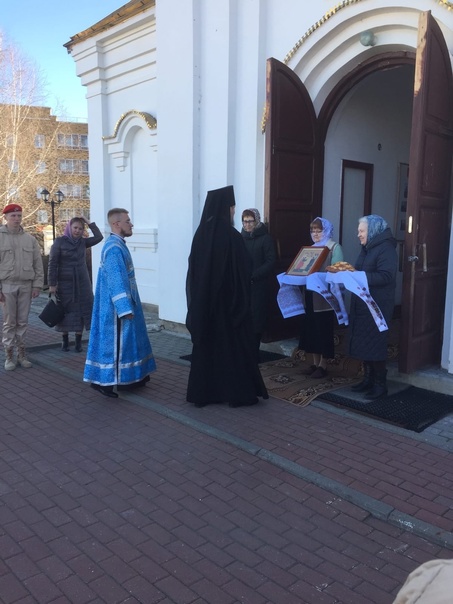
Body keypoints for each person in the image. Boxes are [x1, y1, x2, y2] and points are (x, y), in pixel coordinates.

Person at [186, 186, 269, 408]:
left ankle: (204, 394)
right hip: (228, 309)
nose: (234, 213)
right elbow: (243, 272)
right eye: (232, 208)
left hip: (205, 307)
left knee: (207, 350)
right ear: (225, 208)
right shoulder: (232, 237)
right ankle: (235, 393)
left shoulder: (200, 235)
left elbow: (193, 272)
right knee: (231, 351)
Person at [83, 208, 156, 398]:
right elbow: (116, 280)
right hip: (116, 309)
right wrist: (124, 308)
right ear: (117, 224)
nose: (131, 224)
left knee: (130, 342)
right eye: (128, 221)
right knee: (115, 346)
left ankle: (132, 378)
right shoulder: (114, 248)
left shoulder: (118, 245)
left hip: (124, 304)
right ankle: (104, 383)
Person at [349, 214, 397, 399]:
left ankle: (380, 385)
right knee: (364, 343)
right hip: (363, 304)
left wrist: (358, 277)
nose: (358, 235)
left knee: (375, 344)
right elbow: (359, 270)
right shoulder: (367, 248)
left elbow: (386, 276)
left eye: (361, 231)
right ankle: (368, 379)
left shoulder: (386, 249)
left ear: (373, 231)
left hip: (378, 306)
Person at [48, 216, 103, 352]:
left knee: (82, 311)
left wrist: (88, 222)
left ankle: (78, 342)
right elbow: (52, 263)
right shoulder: (59, 242)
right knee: (65, 312)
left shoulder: (83, 242)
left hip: (82, 283)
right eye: (75, 228)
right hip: (64, 283)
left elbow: (99, 237)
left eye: (80, 228)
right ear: (69, 227)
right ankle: (65, 340)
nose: (77, 231)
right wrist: (52, 284)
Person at [0, 203, 44, 371]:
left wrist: (37, 285)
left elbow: (37, 264)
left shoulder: (30, 239)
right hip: (7, 285)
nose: (17, 219)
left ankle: (22, 354)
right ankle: (9, 355)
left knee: (23, 321)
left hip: (26, 285)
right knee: (9, 322)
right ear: (5, 217)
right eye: (13, 216)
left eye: (19, 216)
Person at [298, 217, 344, 378]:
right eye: (313, 231)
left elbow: (338, 272)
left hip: (324, 297)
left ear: (327, 231)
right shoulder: (310, 249)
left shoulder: (334, 248)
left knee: (322, 329)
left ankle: (323, 365)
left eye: (319, 230)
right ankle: (315, 363)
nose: (315, 234)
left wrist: (322, 275)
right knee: (311, 329)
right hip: (310, 295)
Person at [241, 208, 276, 359]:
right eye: (245, 221)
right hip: (243, 286)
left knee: (256, 320)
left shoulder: (265, 239)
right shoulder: (240, 238)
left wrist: (255, 275)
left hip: (258, 286)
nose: (247, 225)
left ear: (256, 221)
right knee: (244, 319)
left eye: (250, 221)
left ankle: (254, 353)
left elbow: (271, 261)